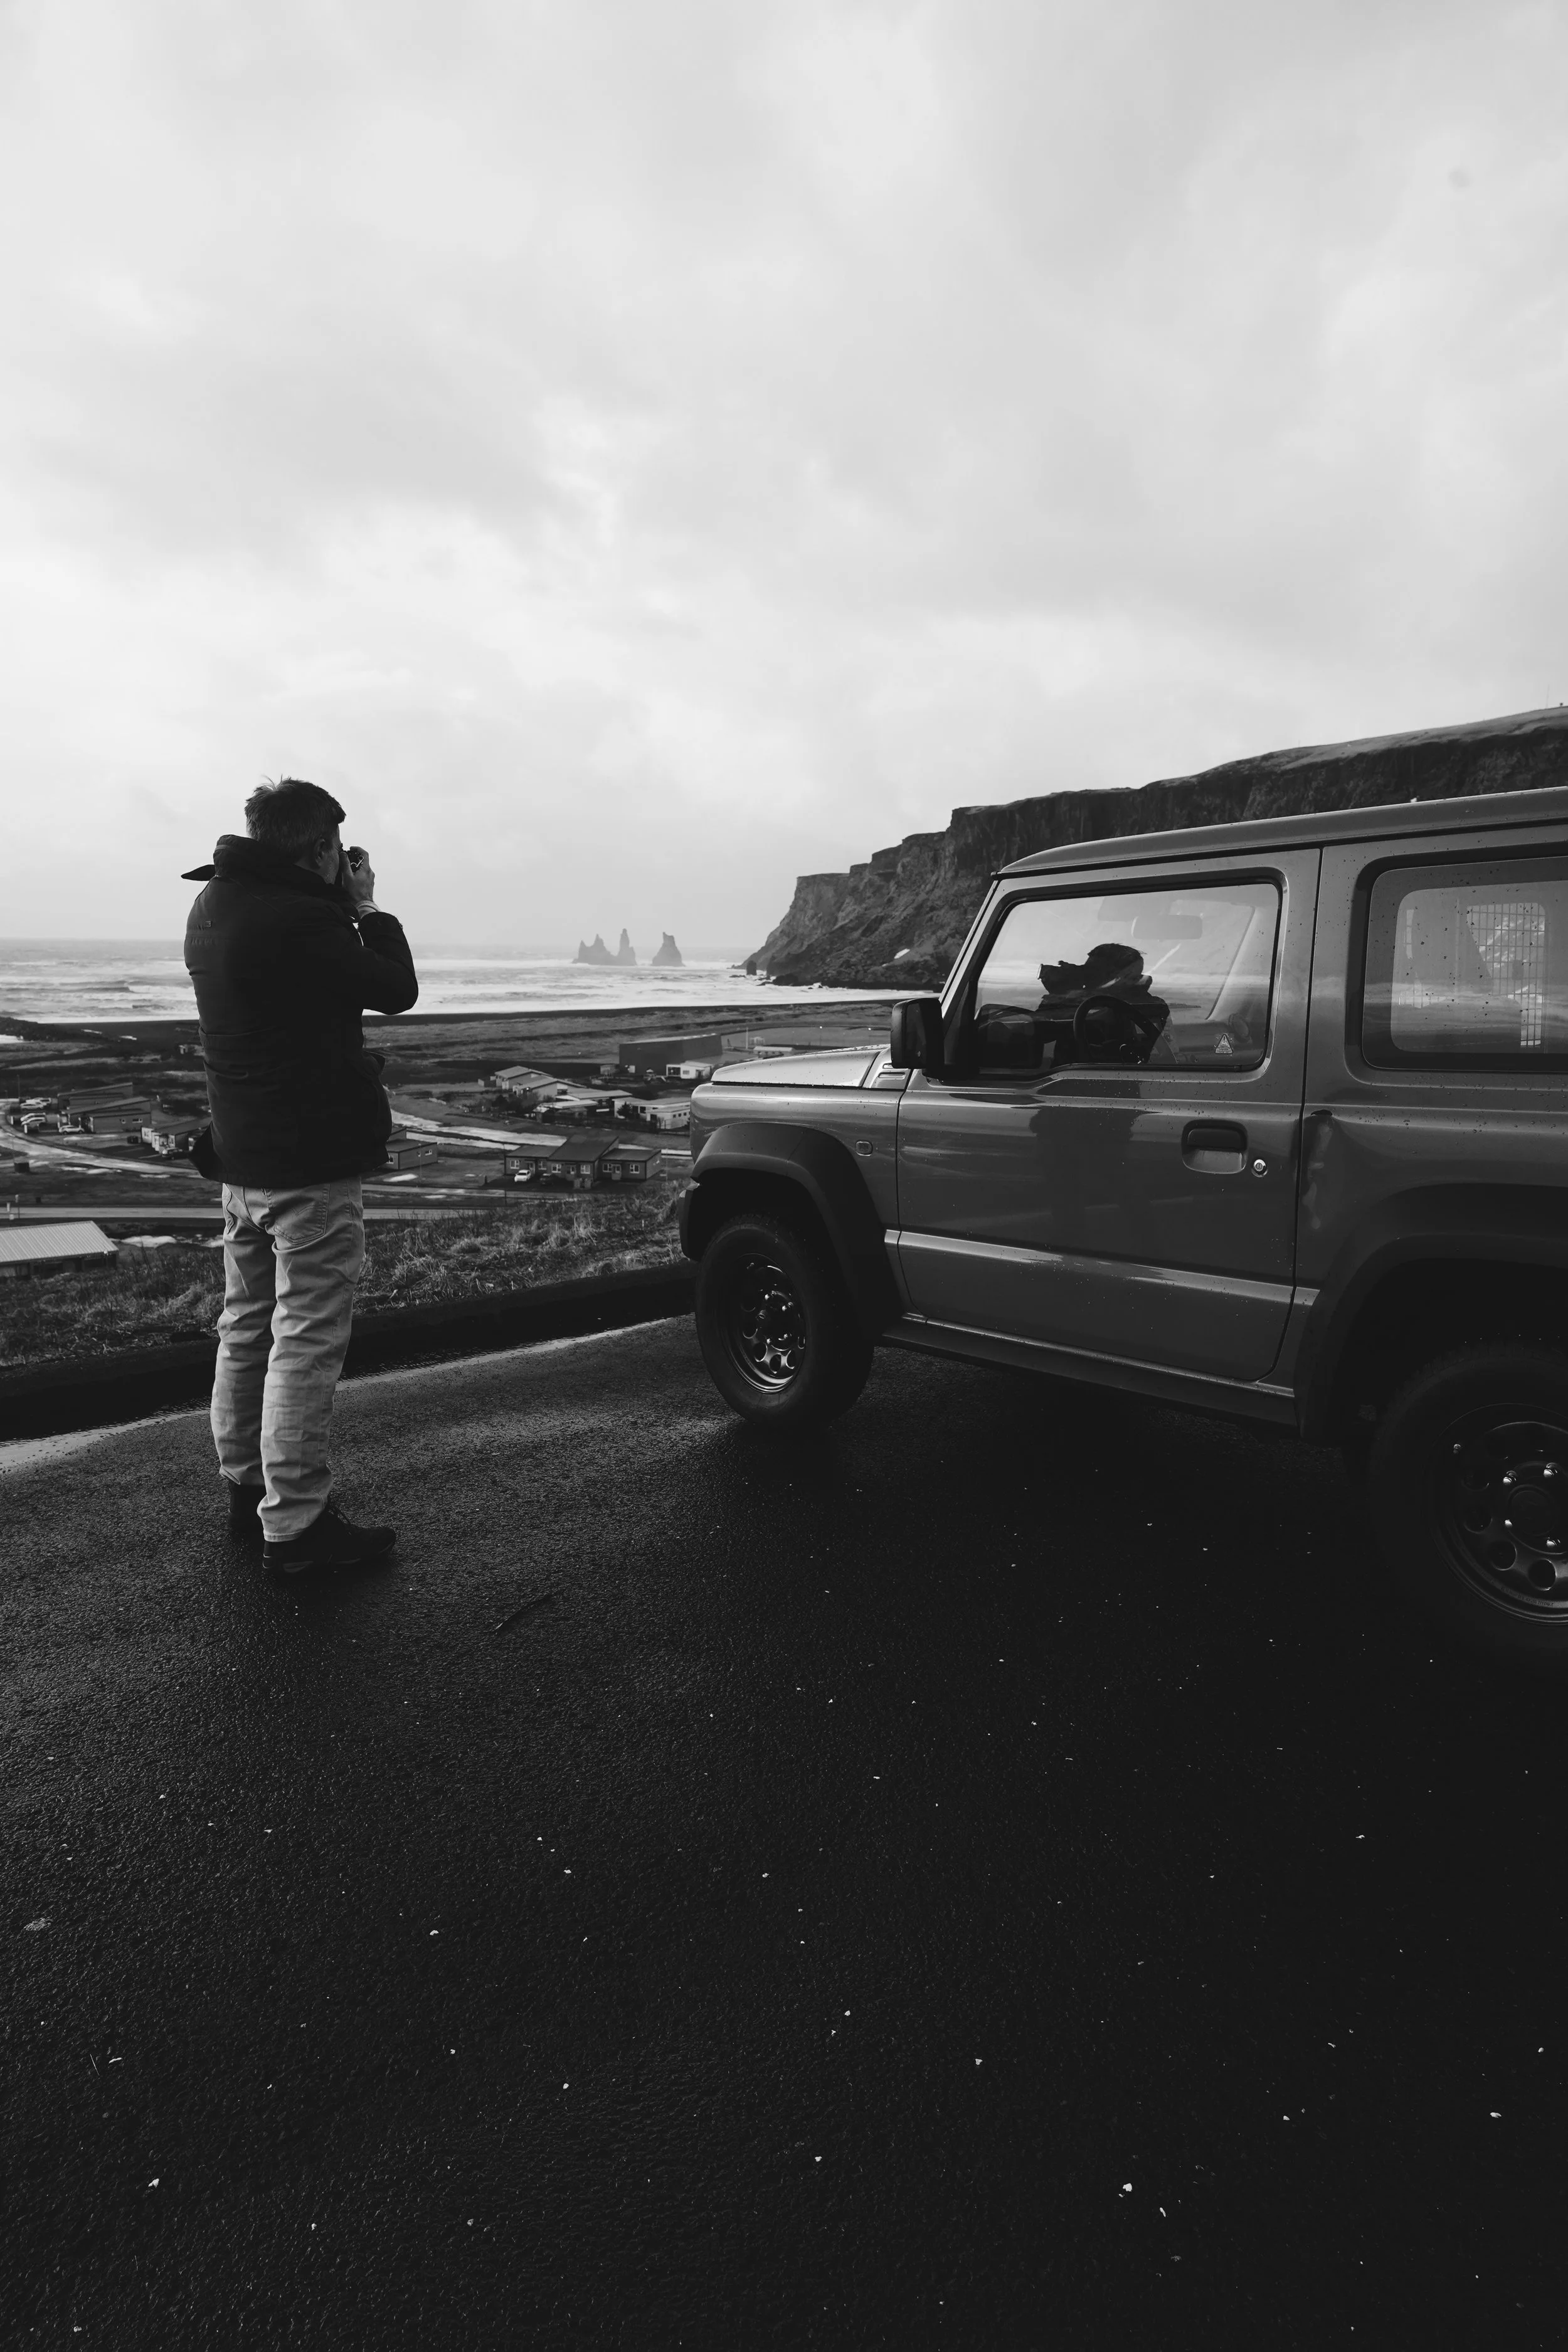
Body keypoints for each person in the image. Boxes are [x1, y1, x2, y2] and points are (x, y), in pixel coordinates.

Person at [183, 778, 418, 1573]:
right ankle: (297, 1524)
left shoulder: (213, 905)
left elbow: (290, 1014)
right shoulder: (306, 915)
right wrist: (367, 908)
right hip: (307, 1165)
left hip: (242, 1157)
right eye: (335, 852)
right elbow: (394, 989)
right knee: (306, 1340)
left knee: (246, 1325)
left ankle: (246, 1488)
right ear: (319, 848)